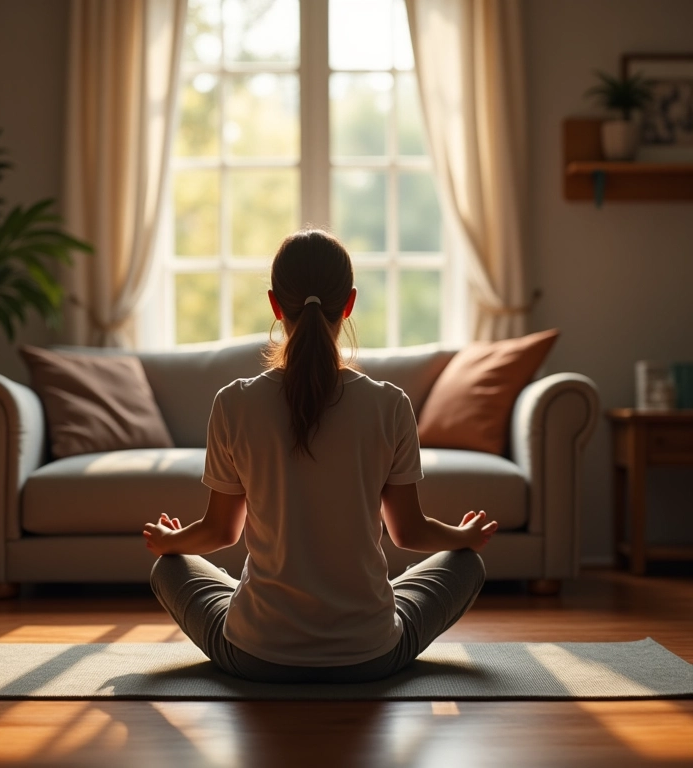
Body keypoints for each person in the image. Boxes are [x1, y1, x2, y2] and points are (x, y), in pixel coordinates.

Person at [143, 228, 498, 684]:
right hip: (370, 655)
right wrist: (462, 534)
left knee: (167, 567)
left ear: (275, 305)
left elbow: (220, 532)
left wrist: (170, 542)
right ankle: (347, 615)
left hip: (255, 654)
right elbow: (408, 532)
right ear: (348, 304)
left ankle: (261, 606)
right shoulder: (389, 404)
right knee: (467, 563)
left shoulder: (233, 402)